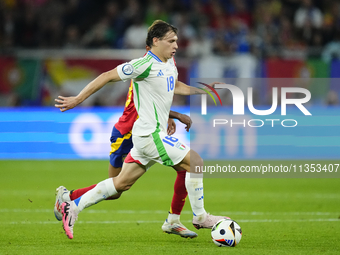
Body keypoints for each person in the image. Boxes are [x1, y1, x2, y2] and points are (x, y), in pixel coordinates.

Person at [55, 20, 229, 240]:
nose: (176, 45)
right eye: (171, 41)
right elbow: (106, 76)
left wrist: (201, 91)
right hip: (150, 135)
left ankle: (74, 206)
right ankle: (201, 217)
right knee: (195, 162)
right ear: (155, 41)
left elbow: (174, 85)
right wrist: (78, 99)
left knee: (120, 184)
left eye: (177, 41)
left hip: (148, 136)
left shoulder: (169, 62)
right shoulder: (143, 65)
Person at [54, 79, 197, 238]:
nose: (174, 52)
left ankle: (174, 220)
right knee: (116, 190)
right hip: (126, 134)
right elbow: (142, 102)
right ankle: (68, 198)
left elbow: (159, 96)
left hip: (148, 132)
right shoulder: (145, 67)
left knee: (185, 167)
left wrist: (165, 117)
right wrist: (175, 114)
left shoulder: (167, 64)